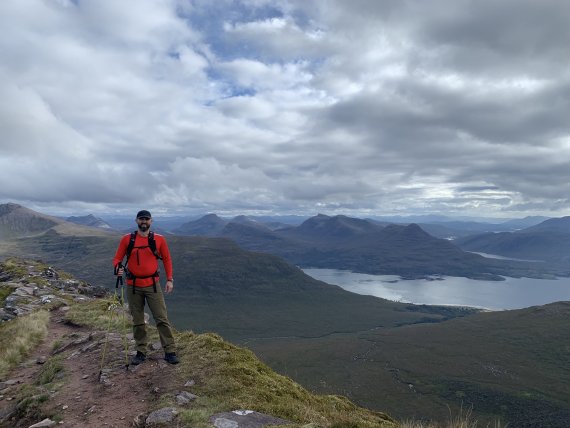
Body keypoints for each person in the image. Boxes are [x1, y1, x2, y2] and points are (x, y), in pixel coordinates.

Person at [113, 210, 179, 365]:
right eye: (141, 219)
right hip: (133, 285)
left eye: (147, 219)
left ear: (151, 221)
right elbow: (117, 258)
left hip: (153, 285)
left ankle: (170, 351)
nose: (144, 221)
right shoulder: (127, 239)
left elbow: (167, 259)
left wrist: (169, 279)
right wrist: (117, 268)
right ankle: (141, 351)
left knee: (161, 318)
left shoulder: (159, 239)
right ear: (136, 221)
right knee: (137, 320)